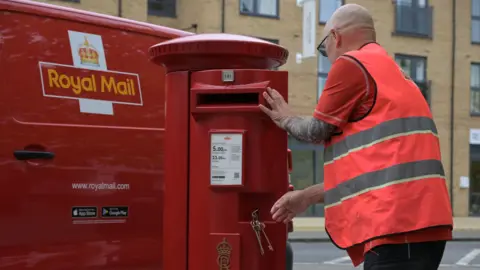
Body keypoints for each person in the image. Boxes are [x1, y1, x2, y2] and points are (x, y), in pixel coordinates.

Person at [259, 3, 454, 270]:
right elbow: (371, 176)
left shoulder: (352, 64)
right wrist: (306, 196)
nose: (327, 56)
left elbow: (316, 130)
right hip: (421, 225)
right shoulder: (394, 74)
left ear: (335, 37)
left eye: (323, 47)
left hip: (397, 226)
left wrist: (285, 118)